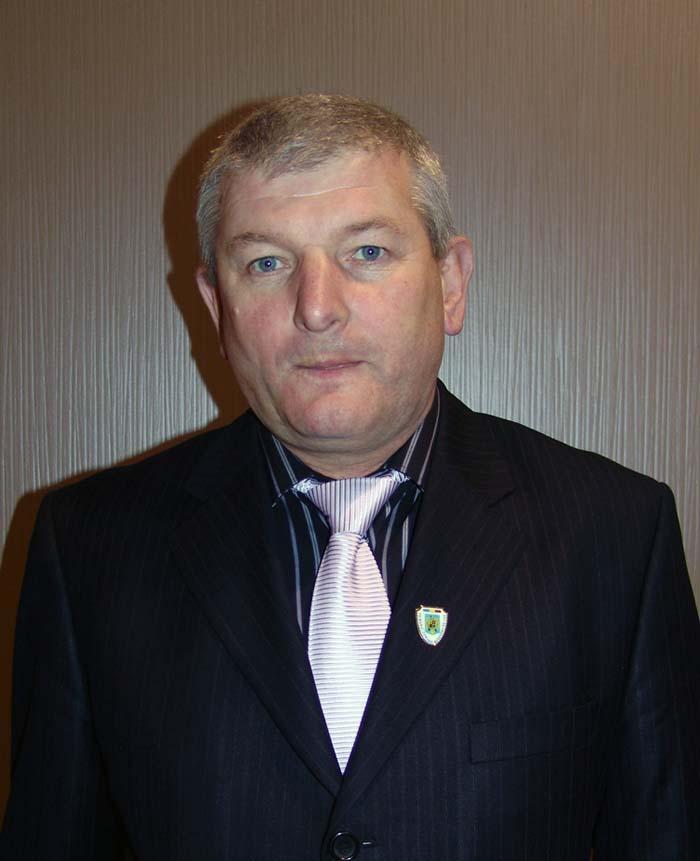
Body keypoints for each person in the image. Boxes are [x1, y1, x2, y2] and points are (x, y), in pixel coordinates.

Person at [2, 94, 698, 860]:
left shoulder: (614, 536)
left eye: (366, 252)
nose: (316, 308)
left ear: (451, 282)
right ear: (215, 305)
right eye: (266, 263)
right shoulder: (89, 550)